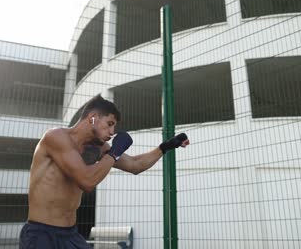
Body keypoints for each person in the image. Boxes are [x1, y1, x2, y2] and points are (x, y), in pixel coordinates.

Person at [19, 94, 189, 249]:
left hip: (70, 235)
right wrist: (114, 153)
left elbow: (135, 165)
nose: (112, 132)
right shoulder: (56, 137)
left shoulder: (98, 148)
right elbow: (86, 181)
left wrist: (165, 146)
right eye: (109, 124)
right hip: (41, 235)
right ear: (93, 118)